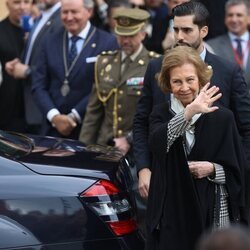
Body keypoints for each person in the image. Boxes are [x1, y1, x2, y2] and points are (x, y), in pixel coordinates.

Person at [133, 1, 250, 207]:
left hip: (214, 188)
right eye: (175, 29)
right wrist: (143, 168)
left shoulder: (228, 71)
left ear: (203, 30)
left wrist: (234, 173)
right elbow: (142, 121)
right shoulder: (156, 67)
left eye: (187, 30)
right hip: (168, 181)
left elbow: (246, 128)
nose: (179, 36)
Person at [146, 45, 247, 250]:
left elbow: (239, 171)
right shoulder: (160, 114)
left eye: (190, 80)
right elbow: (158, 144)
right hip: (173, 211)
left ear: (200, 79)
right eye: (177, 81)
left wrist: (212, 169)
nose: (184, 87)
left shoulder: (223, 117)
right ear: (168, 84)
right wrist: (188, 113)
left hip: (214, 208)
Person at [79, 8, 159, 234]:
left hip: (137, 151)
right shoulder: (105, 63)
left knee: (140, 207)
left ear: (143, 34)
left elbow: (155, 114)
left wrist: (130, 139)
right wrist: (84, 149)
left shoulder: (153, 64)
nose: (125, 40)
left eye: (131, 35)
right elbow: (93, 112)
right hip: (105, 148)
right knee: (103, 208)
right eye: (121, 34)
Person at [31, 0, 119, 139]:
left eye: (74, 12)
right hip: (51, 128)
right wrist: (54, 116)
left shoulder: (107, 42)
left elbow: (104, 86)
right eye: (65, 12)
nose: (69, 17)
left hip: (87, 130)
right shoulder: (50, 40)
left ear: (89, 12)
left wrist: (74, 116)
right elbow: (38, 84)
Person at [5, 0, 62, 135]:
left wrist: (28, 71)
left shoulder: (62, 18)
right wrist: (17, 64)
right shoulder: (40, 16)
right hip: (26, 107)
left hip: (45, 108)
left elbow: (59, 66)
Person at [0, 0, 32, 133]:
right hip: (7, 108)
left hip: (34, 108)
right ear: (7, 4)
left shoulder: (38, 29)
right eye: (17, 2)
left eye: (27, 2)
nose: (22, 7)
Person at [207, 0, 250, 88]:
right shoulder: (211, 46)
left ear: (248, 18)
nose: (234, 20)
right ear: (225, 19)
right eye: (230, 15)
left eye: (239, 15)